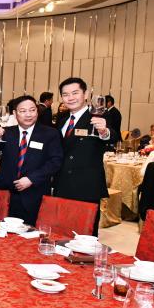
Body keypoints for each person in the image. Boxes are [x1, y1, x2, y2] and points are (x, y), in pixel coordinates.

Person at [54, 78, 121, 233]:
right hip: (61, 184)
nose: (70, 98)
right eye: (65, 94)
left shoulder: (100, 116)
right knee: (61, 232)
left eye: (75, 93)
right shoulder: (62, 119)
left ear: (85, 94)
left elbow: (113, 136)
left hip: (86, 185)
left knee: (86, 234)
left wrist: (104, 131)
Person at [0, 95, 63, 225]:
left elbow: (55, 162)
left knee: (30, 232)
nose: (28, 114)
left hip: (34, 194)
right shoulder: (6, 132)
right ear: (14, 113)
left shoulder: (50, 134)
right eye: (23, 111)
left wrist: (31, 179)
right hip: (7, 194)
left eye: (32, 110)